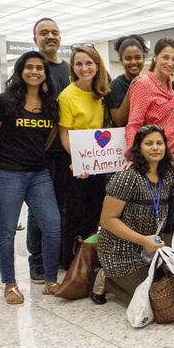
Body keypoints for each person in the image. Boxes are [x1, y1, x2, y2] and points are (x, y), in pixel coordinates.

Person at [0, 51, 61, 302]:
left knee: (52, 225)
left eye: (40, 68)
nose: (35, 72)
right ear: (20, 70)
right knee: (6, 230)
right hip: (6, 172)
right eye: (29, 67)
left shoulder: (51, 104)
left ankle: (50, 280)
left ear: (45, 73)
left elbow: (49, 138)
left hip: (38, 172)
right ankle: (10, 284)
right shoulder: (5, 101)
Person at [99, 125, 174, 305]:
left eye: (160, 143)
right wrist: (143, 241)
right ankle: (105, 279)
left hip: (155, 244)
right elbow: (107, 220)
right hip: (121, 251)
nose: (155, 147)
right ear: (138, 147)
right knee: (157, 301)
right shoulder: (128, 176)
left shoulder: (168, 174)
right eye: (149, 143)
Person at [57, 44, 110, 268]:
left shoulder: (103, 93)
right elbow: (65, 135)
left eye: (89, 63)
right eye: (79, 63)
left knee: (95, 213)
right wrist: (79, 161)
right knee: (75, 215)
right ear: (73, 67)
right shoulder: (67, 96)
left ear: (97, 66)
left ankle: (90, 260)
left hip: (100, 165)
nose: (84, 68)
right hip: (77, 166)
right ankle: (71, 263)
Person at [28, 17, 70, 284]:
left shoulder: (70, 69)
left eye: (54, 32)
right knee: (38, 209)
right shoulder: (31, 67)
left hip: (68, 150)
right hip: (38, 151)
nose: (50, 36)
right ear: (35, 39)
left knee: (64, 207)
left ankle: (61, 256)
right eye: (44, 33)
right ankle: (38, 262)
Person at [125, 38, 174, 161]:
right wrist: (131, 157)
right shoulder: (143, 84)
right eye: (165, 57)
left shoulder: (169, 85)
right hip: (157, 159)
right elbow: (133, 125)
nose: (170, 63)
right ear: (154, 57)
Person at [108, 35, 149, 127]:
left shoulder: (147, 83)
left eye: (138, 57)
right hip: (124, 139)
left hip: (146, 138)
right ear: (121, 61)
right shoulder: (115, 86)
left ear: (143, 59)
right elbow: (119, 122)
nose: (134, 62)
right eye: (128, 58)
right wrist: (131, 91)